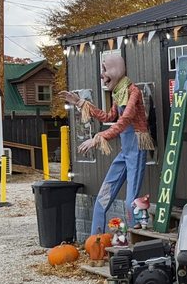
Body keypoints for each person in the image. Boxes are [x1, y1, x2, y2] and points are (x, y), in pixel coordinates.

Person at [59, 55, 154, 235]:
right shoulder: (118, 93)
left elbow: (125, 120)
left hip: (136, 148)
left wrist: (99, 137)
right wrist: (79, 102)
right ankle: (96, 241)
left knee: (130, 202)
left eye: (105, 70)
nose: (102, 75)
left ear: (117, 69)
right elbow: (109, 117)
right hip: (125, 151)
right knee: (102, 198)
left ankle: (135, 242)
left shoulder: (133, 92)